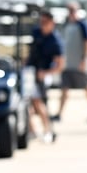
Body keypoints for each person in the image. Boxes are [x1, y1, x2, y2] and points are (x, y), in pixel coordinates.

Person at [52, 1, 87, 122]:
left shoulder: (83, 25)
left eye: (73, 10)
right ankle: (59, 114)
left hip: (79, 63)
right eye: (69, 10)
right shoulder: (66, 25)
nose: (71, 13)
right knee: (64, 89)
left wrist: (84, 59)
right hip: (67, 63)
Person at [26, 9, 64, 143]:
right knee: (26, 104)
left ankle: (48, 130)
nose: (42, 24)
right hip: (30, 72)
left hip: (44, 74)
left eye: (45, 22)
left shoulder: (55, 41)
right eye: (41, 22)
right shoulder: (36, 33)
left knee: (39, 102)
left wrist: (45, 73)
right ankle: (32, 131)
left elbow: (60, 65)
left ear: (52, 23)